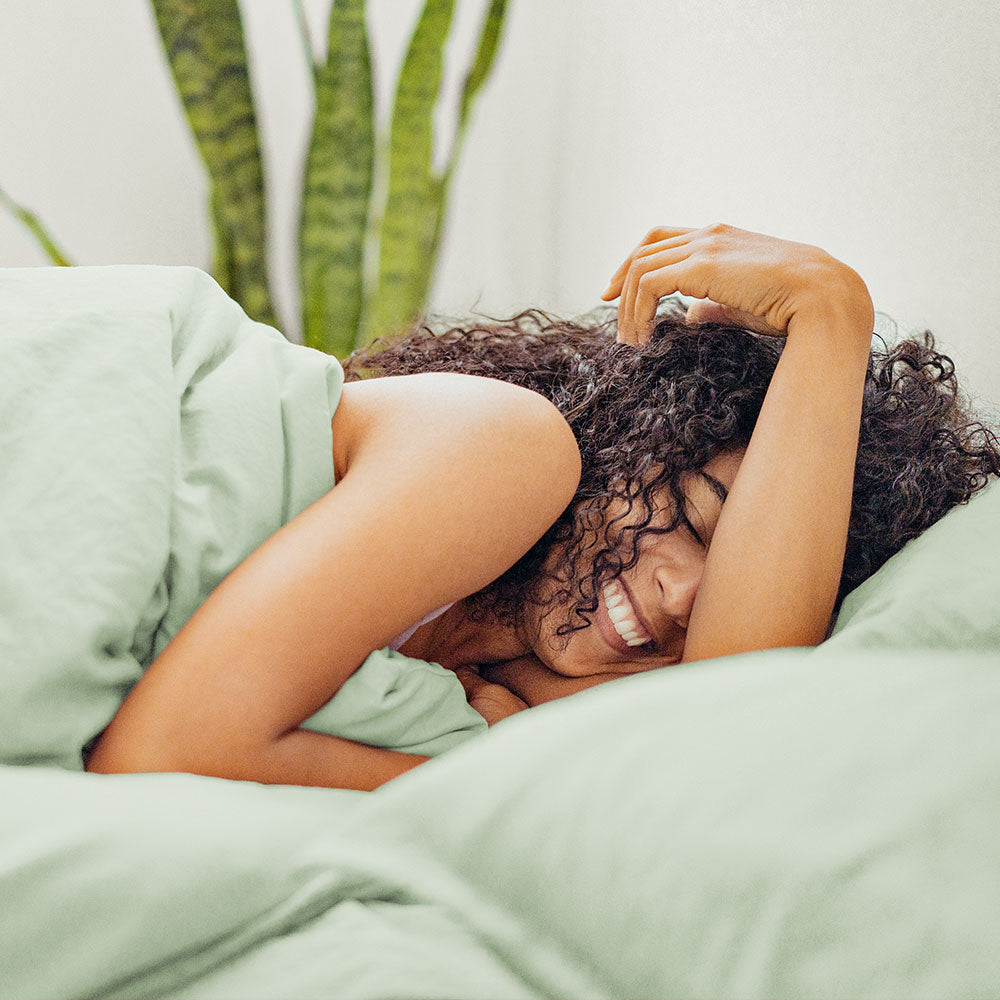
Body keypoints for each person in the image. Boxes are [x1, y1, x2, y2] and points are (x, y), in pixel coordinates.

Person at [86, 222, 1000, 790]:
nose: (686, 599)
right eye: (689, 515)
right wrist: (831, 314)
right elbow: (157, 752)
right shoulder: (506, 449)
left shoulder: (502, 703)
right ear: (630, 441)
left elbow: (722, 720)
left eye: (735, 592)